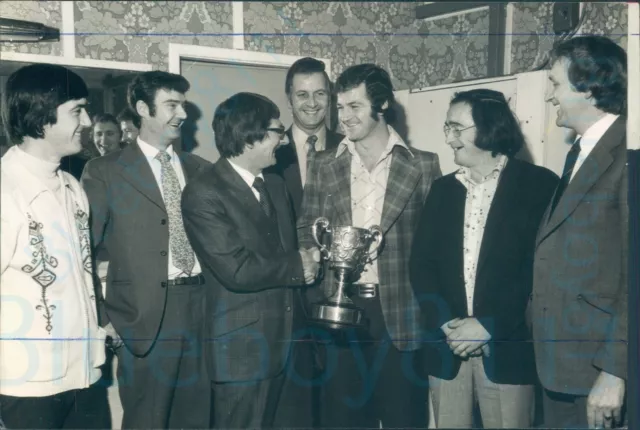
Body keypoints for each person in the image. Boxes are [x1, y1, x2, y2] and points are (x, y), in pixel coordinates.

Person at [297, 63, 442, 429]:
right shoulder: (323, 163)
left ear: (382, 106)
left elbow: (437, 249)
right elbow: (305, 227)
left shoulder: (423, 166)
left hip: (401, 315)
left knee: (403, 419)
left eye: (355, 107)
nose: (343, 117)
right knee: (342, 420)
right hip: (340, 311)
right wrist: (314, 254)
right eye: (340, 107)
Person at [409, 89, 559, 428]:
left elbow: (540, 272)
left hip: (508, 349)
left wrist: (489, 325)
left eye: (456, 128)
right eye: (447, 127)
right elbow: (421, 265)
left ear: (489, 127)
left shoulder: (539, 185)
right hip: (447, 349)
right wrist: (447, 323)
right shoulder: (443, 190)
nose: (448, 138)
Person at [181, 92, 321, 429]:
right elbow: (237, 270)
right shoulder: (203, 192)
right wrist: (300, 265)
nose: (284, 139)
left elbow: (287, 249)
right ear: (250, 135)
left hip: (291, 347)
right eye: (277, 131)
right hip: (242, 355)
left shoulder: (274, 185)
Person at [81, 71, 211, 429]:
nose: (182, 114)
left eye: (183, 105)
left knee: (198, 420)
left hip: (202, 311)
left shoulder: (201, 170)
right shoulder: (104, 171)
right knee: (147, 421)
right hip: (144, 320)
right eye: (172, 105)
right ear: (143, 109)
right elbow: (83, 254)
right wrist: (105, 319)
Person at [0, 64, 109, 429]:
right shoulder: (6, 188)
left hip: (84, 374)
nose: (89, 120)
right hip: (28, 384)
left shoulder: (72, 185)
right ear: (41, 117)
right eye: (77, 110)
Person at [530, 35, 628, 429]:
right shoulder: (581, 152)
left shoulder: (627, 153)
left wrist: (616, 372)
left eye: (554, 84)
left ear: (588, 87)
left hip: (599, 371)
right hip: (562, 365)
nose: (549, 97)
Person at [266, 56, 344, 429]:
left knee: (342, 398)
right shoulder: (267, 153)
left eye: (319, 94)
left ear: (330, 97)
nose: (311, 103)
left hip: (342, 295)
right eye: (302, 94)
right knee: (295, 404)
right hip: (287, 296)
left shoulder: (352, 147)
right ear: (288, 99)